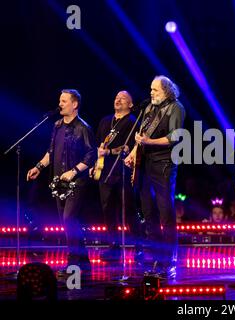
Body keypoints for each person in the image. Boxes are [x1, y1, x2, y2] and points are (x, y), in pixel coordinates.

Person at [27, 89, 96, 275]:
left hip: (77, 183)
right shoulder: (57, 125)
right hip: (58, 183)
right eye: (60, 100)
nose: (60, 104)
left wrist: (74, 172)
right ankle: (84, 263)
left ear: (74, 104)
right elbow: (51, 152)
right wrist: (38, 167)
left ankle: (73, 265)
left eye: (64, 101)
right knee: (69, 223)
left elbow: (92, 155)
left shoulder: (83, 128)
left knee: (69, 219)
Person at [124, 75, 185, 279]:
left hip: (164, 164)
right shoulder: (149, 109)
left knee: (165, 213)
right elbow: (141, 137)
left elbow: (175, 136)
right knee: (149, 213)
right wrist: (133, 153)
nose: (151, 93)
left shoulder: (175, 107)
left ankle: (169, 260)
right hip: (145, 165)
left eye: (155, 90)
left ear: (166, 90)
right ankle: (156, 257)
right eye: (150, 89)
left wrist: (149, 142)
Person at [92, 91, 139, 261]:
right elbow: (98, 146)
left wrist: (110, 151)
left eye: (123, 99)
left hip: (123, 172)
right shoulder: (105, 121)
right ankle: (114, 246)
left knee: (128, 210)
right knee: (108, 211)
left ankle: (138, 246)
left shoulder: (132, 123)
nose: (118, 100)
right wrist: (94, 165)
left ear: (131, 105)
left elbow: (129, 147)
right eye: (116, 98)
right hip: (104, 171)